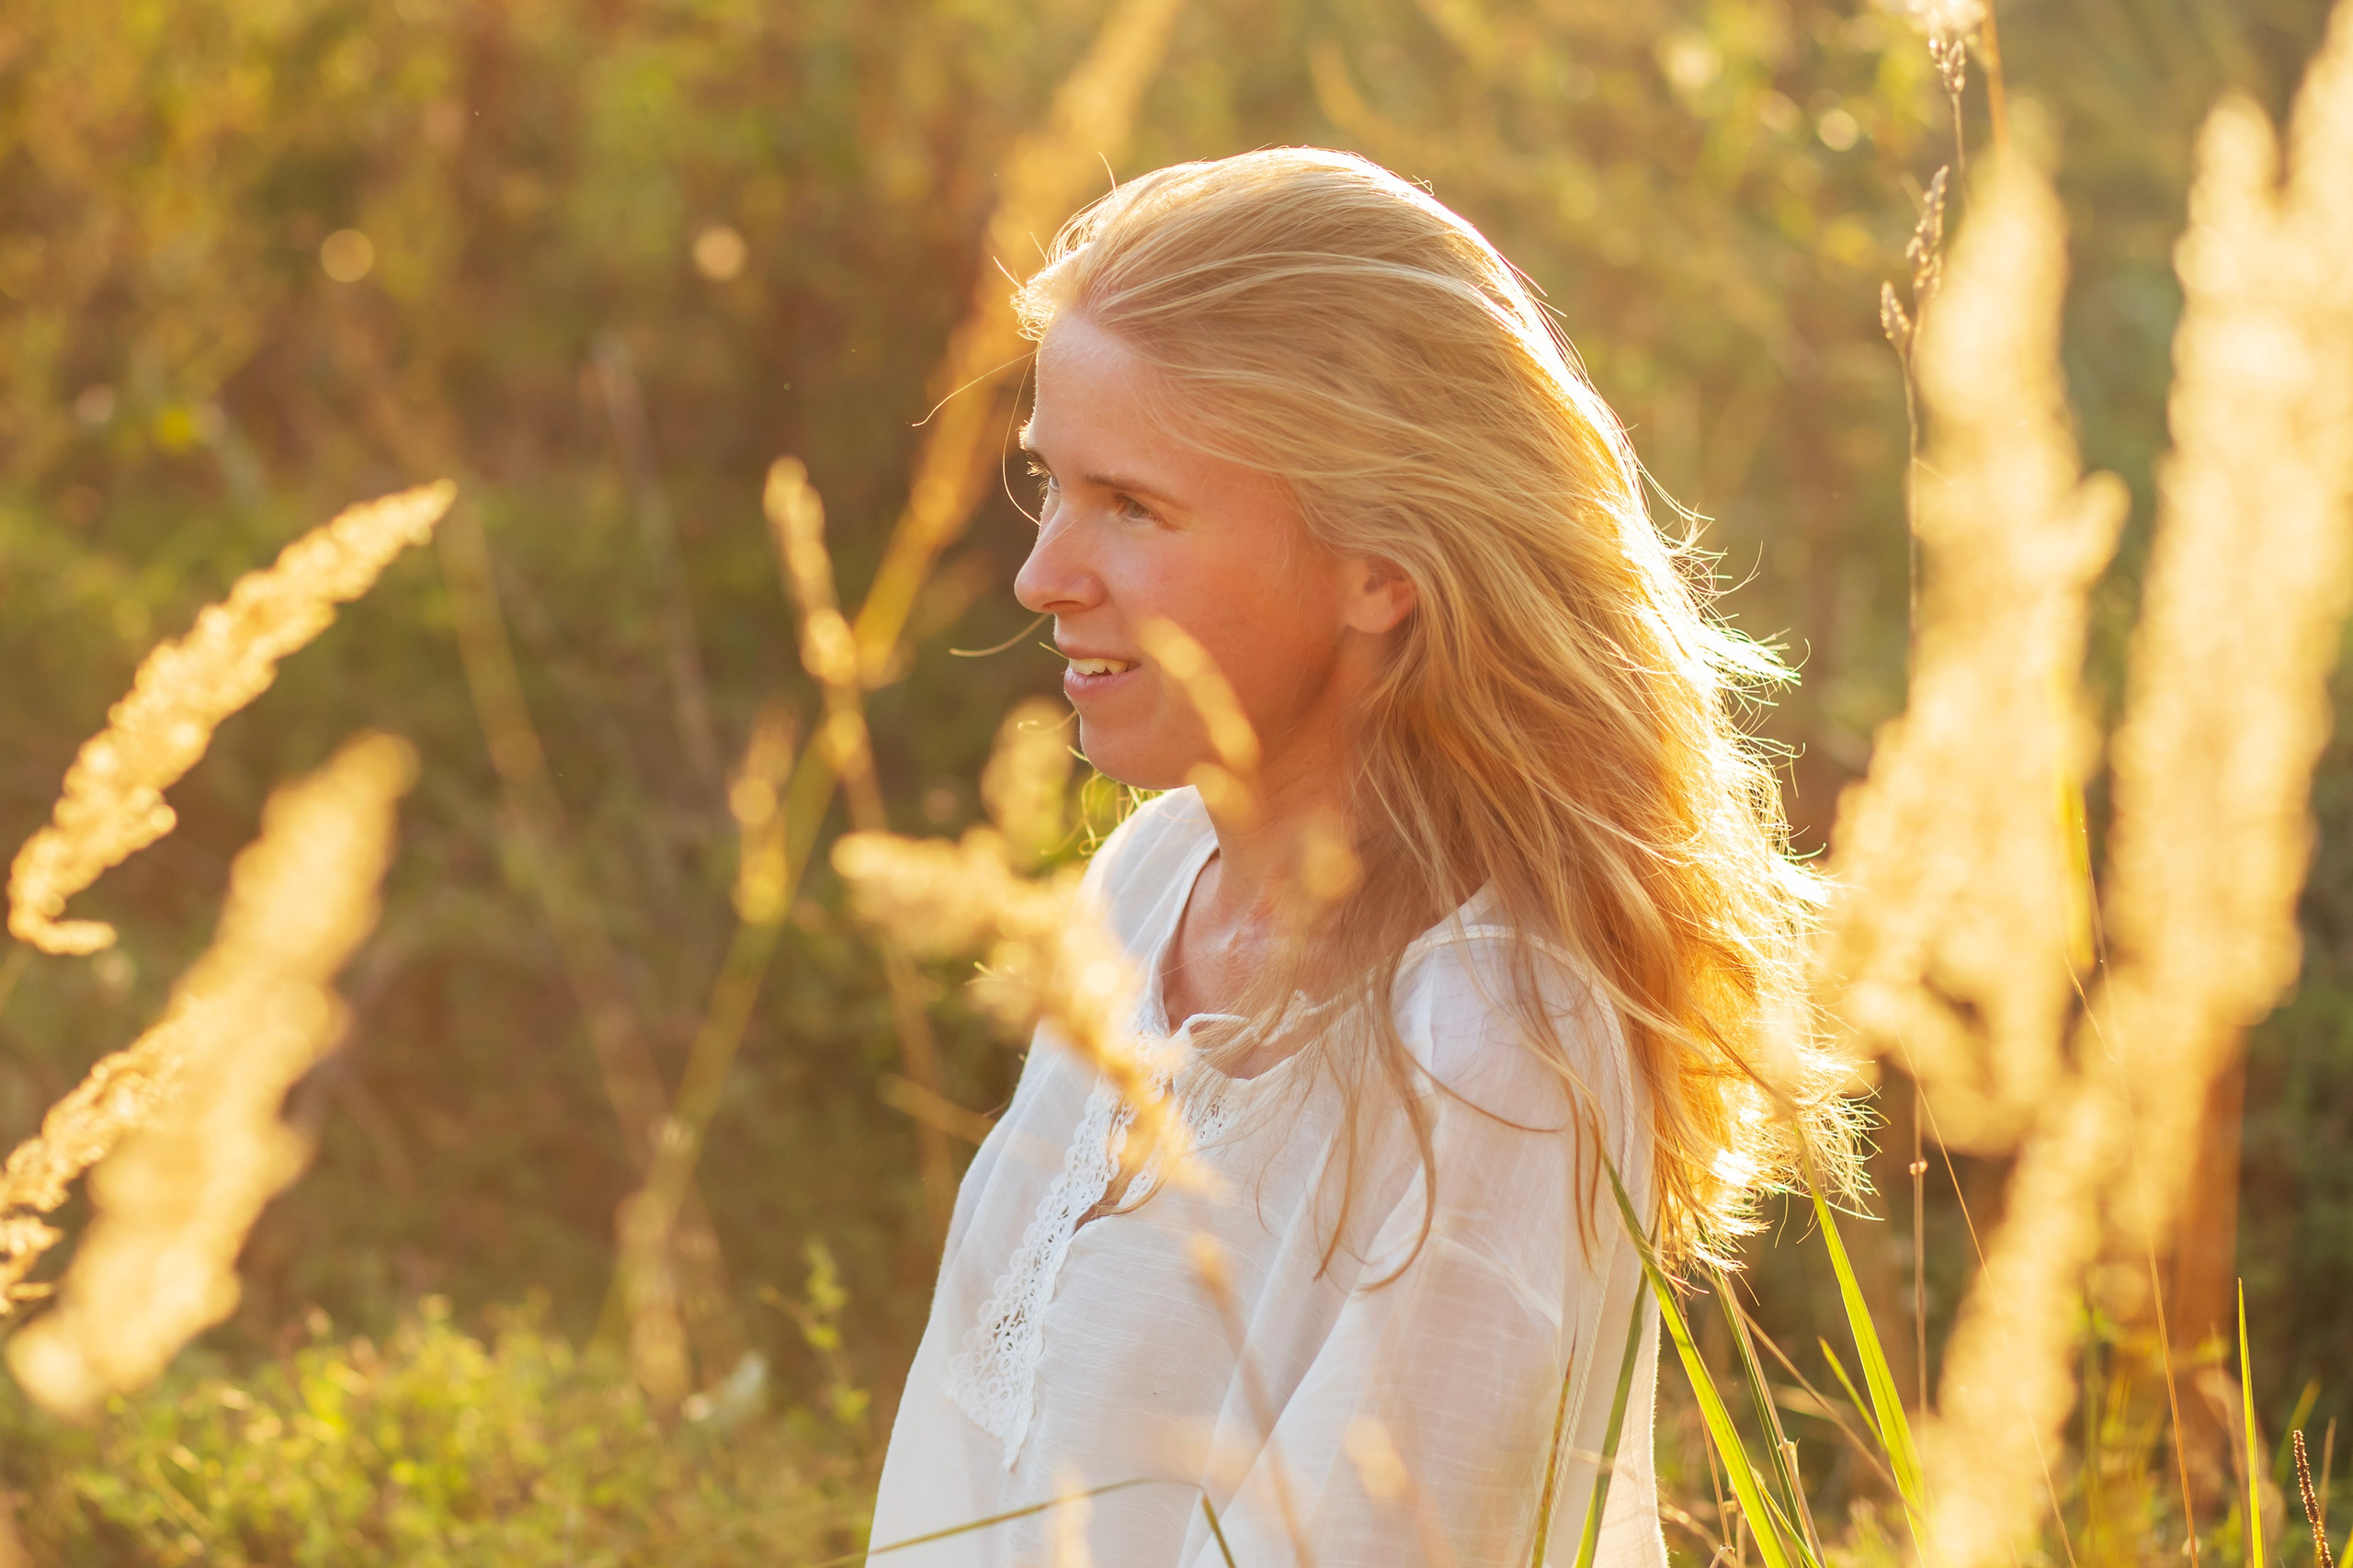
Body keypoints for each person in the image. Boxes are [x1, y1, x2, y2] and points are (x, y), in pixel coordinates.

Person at [867, 147, 1848, 1566]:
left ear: (1381, 564)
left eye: (1132, 506)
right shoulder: (1146, 882)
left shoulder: (1500, 1039)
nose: (1042, 574)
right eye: (1051, 489)